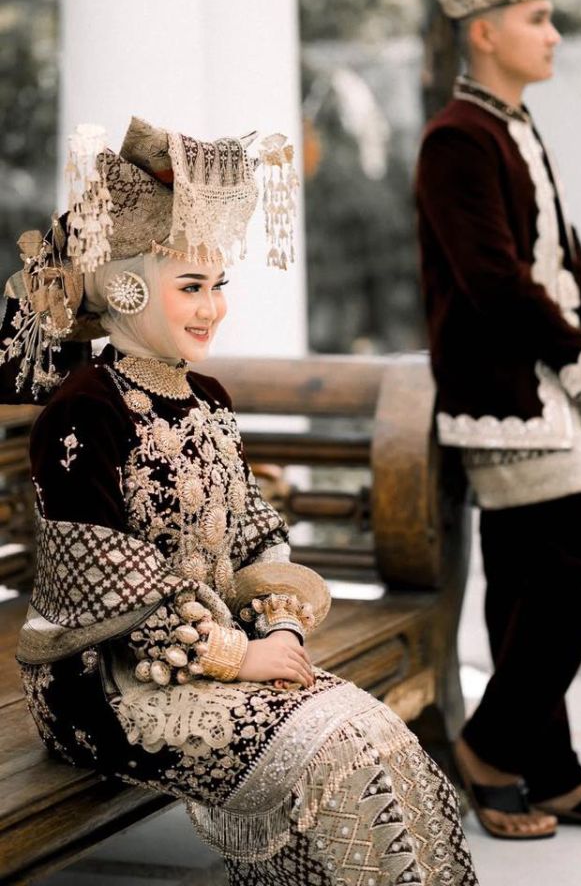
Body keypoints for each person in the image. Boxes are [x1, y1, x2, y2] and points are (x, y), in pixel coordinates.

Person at [4, 115, 477, 886]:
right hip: (102, 681)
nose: (212, 308)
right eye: (190, 288)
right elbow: (108, 588)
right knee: (331, 751)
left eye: (217, 286)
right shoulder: (83, 410)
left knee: (376, 737)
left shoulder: (208, 398)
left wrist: (280, 624)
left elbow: (256, 531)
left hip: (213, 650)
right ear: (124, 288)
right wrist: (237, 655)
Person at [415, 0, 581, 841]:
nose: (554, 34)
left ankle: (551, 773)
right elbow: (491, 279)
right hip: (502, 394)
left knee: (526, 583)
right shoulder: (456, 138)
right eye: (537, 19)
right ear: (485, 33)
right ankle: (489, 749)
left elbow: (563, 257)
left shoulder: (512, 126)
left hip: (541, 384)